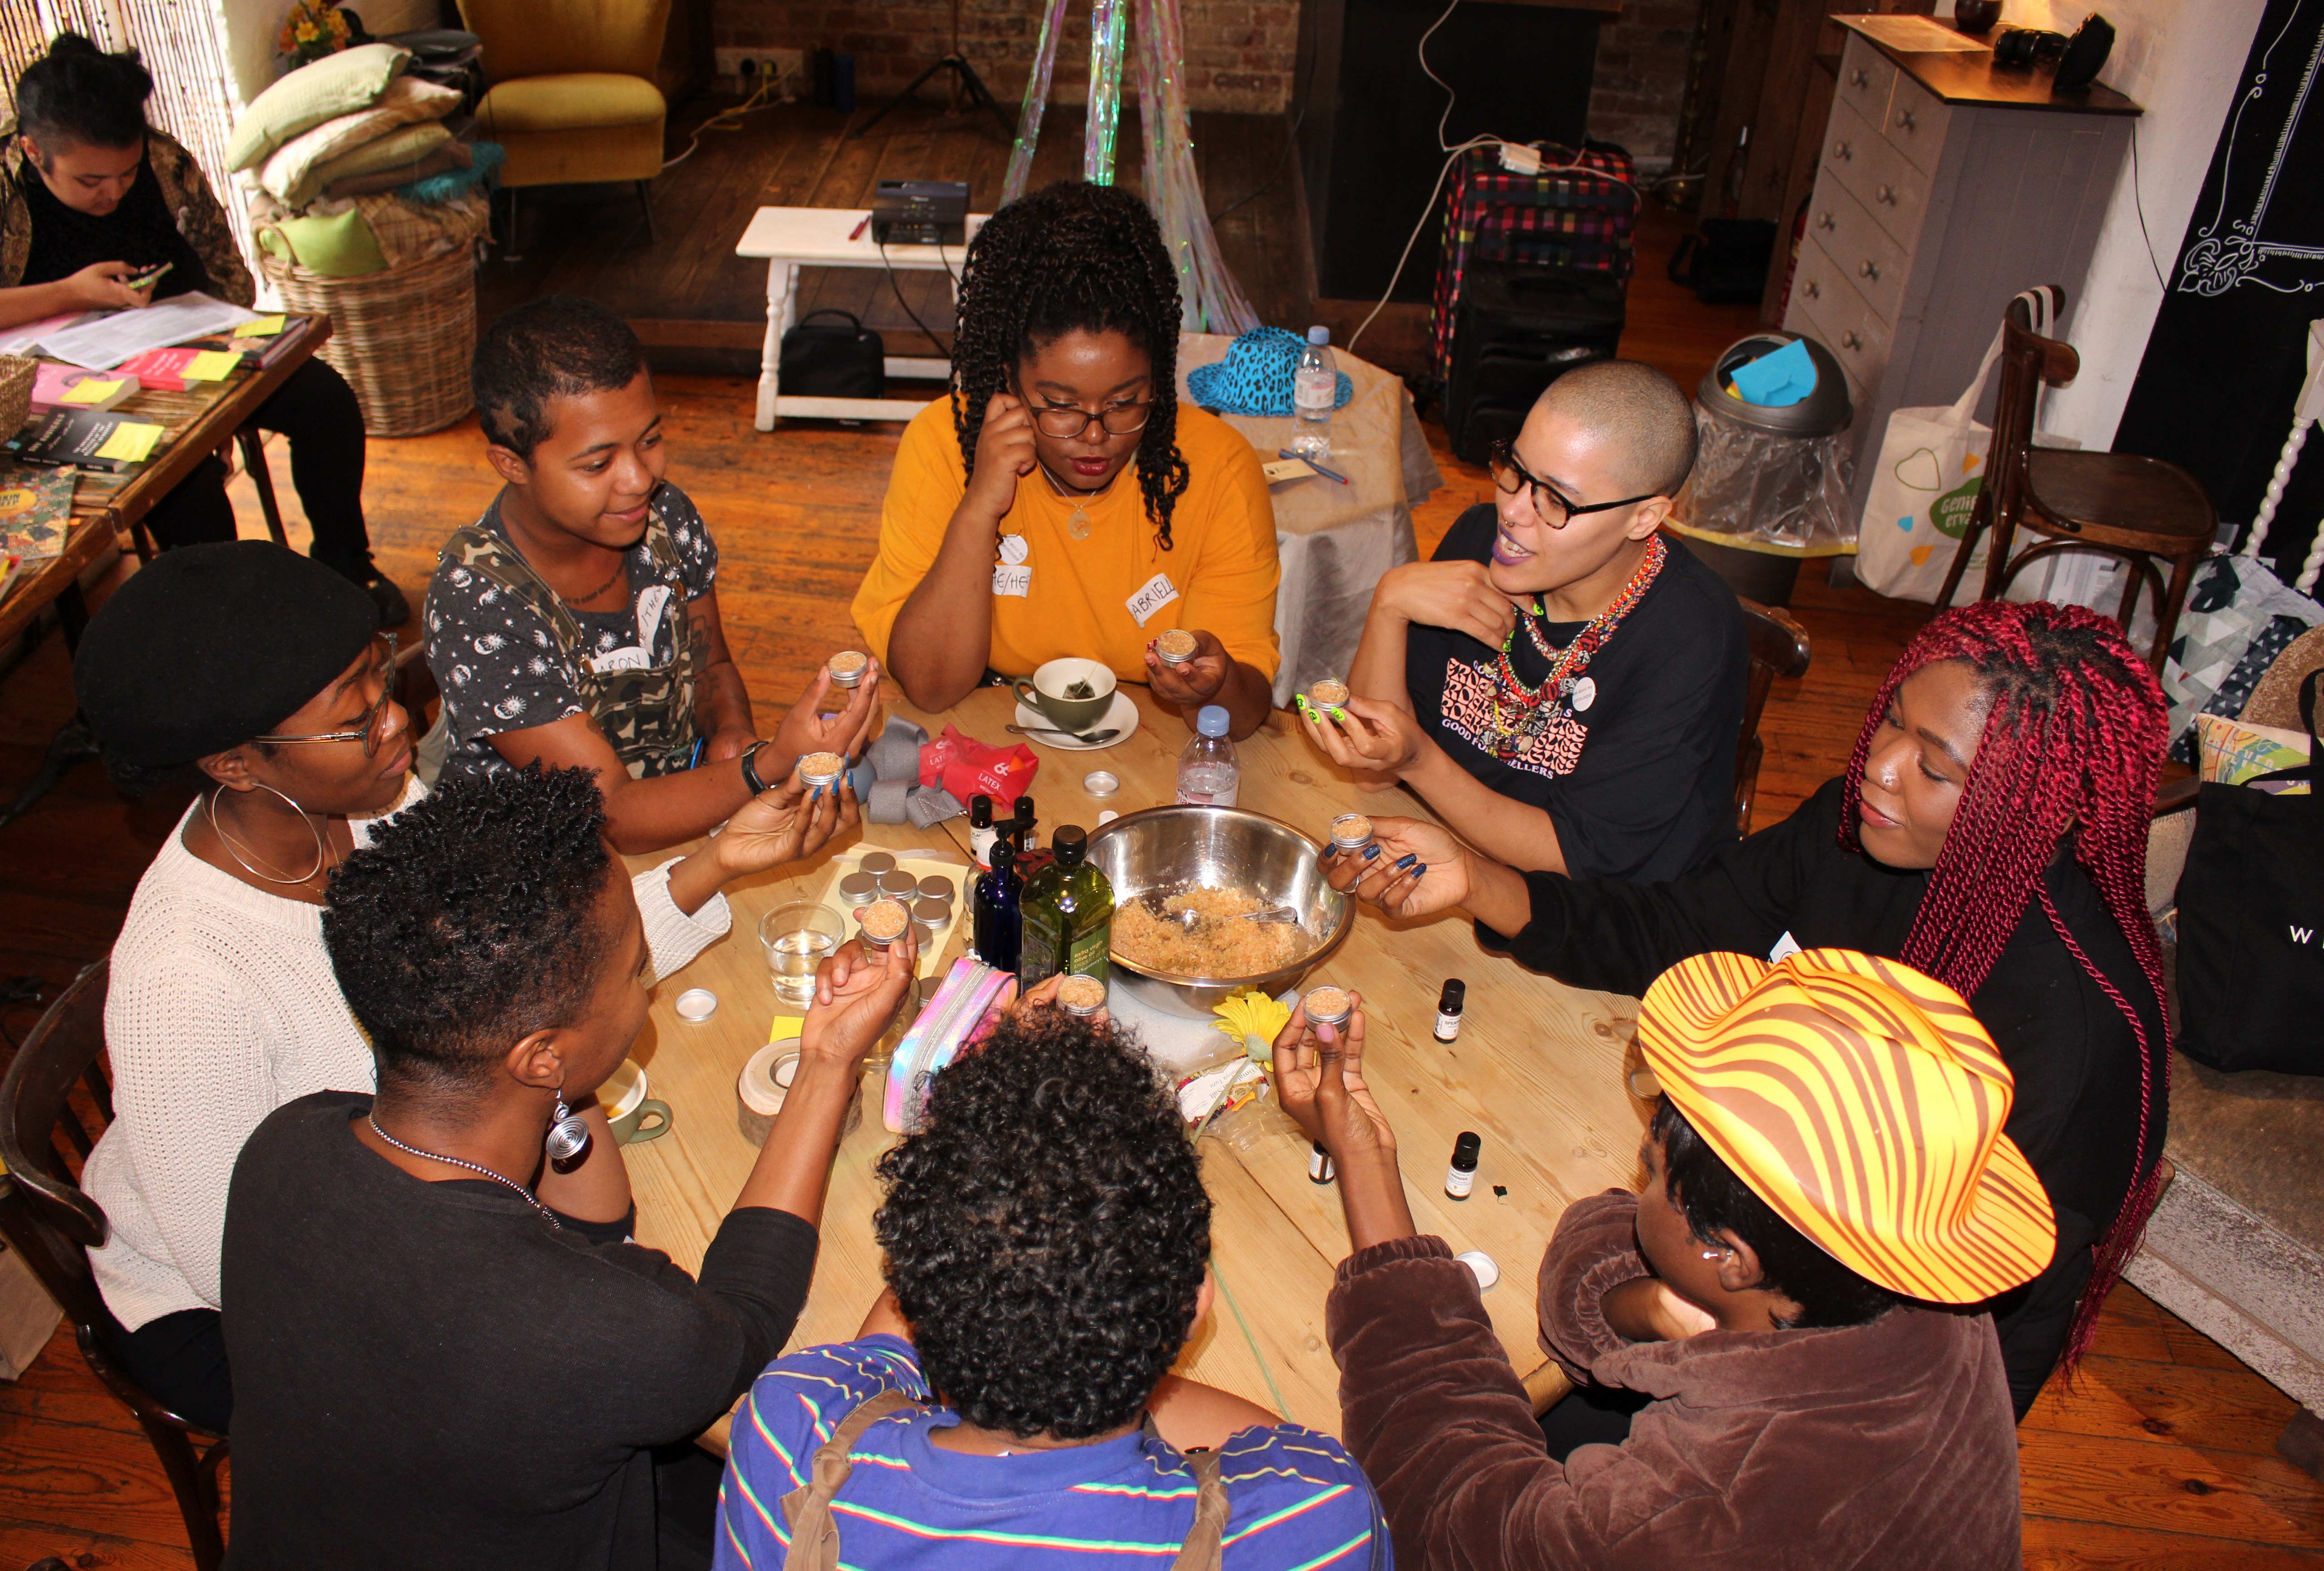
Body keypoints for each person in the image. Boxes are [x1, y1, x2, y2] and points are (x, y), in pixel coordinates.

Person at [70, 540, 851, 1435]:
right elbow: (235, 1261)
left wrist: (715, 862)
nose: (397, 727)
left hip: (443, 1179)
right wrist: (512, 1246)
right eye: (353, 720)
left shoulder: (373, 808)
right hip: (256, 1308)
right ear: (236, 763)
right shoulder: (184, 981)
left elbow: (530, 959)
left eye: (382, 680)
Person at [1326, 598, 2168, 1417]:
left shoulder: (2075, 1032)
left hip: (1830, 1377)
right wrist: (1477, 882)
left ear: (2041, 811)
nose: (1878, 767)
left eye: (1934, 769)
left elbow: (1985, 1331)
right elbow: (1677, 928)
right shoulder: (1854, 830)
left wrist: (1724, 1353)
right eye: (1891, 721)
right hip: (1728, 1248)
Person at [220, 764, 914, 1567]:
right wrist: (824, 1065)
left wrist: (561, 1084)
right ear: (539, 1054)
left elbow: (593, 1224)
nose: (646, 985)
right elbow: (742, 1323)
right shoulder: (597, 1331)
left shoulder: (284, 1146)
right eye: (633, 968)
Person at [1277, 950, 2043, 1569]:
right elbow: (1605, 1266)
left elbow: (1445, 1517)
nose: (1634, 1178)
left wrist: (1363, 1158)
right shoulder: (1912, 1282)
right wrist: (1646, 1308)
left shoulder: (1702, 1515)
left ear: (1731, 1258)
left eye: (1648, 1171)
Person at [718, 993, 1389, 1570]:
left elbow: (885, 1357)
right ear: (1196, 1307)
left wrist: (988, 1127)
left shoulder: (788, 1434)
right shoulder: (1307, 1524)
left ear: (916, 1285)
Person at [0, 34, 406, 625]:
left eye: (125, 173)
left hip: (185, 349)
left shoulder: (164, 163)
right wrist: (72, 294)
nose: (114, 192)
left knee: (326, 402)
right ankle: (237, 624)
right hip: (63, 389)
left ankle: (345, 560)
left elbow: (229, 275)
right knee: (185, 485)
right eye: (90, 182)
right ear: (33, 150)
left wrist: (209, 357)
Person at [425, 295, 878, 853]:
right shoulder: (478, 605)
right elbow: (612, 813)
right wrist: (768, 764)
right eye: (598, 464)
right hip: (535, 873)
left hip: (673, 816)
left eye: (650, 440)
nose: (640, 477)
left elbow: (709, 663)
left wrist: (730, 733)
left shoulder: (663, 518)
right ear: (511, 463)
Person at [852, 182, 1280, 733]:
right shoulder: (943, 444)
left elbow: (1243, 716)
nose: (1095, 435)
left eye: (1126, 402)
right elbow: (932, 687)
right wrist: (980, 507)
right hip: (990, 739)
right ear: (1008, 378)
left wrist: (1213, 684)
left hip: (1154, 752)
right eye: (1059, 406)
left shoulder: (1217, 468)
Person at [1299, 361, 1743, 880]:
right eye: (1515, 470)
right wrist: (1389, 603)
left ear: (1644, 517)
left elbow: (1575, 857)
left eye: (1556, 500)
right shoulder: (1476, 541)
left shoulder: (1692, 638)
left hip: (1595, 917)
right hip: (1444, 852)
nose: (1512, 511)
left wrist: (1417, 761)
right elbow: (1372, 776)